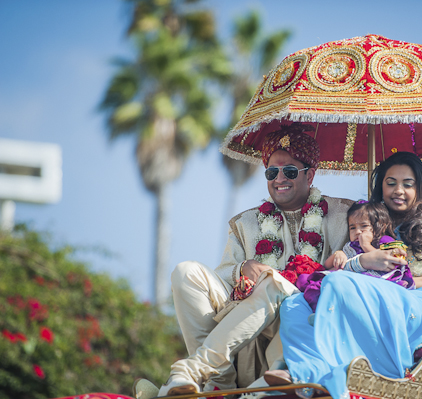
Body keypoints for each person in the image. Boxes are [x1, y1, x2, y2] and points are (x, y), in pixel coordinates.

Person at [133, 123, 375, 399]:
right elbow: (223, 275)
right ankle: (218, 384)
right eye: (272, 172)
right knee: (185, 273)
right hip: (244, 339)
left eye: (290, 171)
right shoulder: (246, 223)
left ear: (311, 175)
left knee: (275, 283)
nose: (279, 178)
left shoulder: (344, 214)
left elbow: (359, 261)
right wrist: (241, 269)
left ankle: (190, 372)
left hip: (301, 332)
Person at [264, 151, 422, 399]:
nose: (398, 190)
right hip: (375, 298)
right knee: (294, 304)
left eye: (407, 184)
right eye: (391, 183)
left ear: (420, 188)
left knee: (338, 282)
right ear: (381, 188)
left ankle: (342, 374)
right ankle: (310, 374)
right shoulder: (369, 228)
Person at [300, 200, 415, 313]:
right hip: (346, 278)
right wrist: (338, 254)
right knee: (305, 280)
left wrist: (366, 245)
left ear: (381, 226)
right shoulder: (351, 245)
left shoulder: (384, 241)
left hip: (372, 282)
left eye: (364, 226)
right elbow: (327, 265)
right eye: (352, 228)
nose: (358, 231)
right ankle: (318, 312)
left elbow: (385, 261)